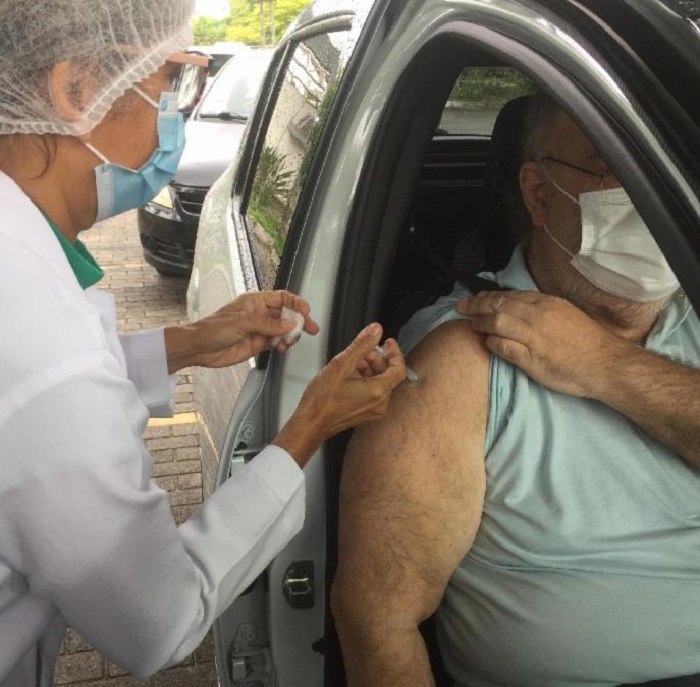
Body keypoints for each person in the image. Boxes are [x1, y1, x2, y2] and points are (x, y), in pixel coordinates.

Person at [0, 2, 407, 685]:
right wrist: (312, 422)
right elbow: (157, 619)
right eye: (170, 81)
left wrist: (187, 344)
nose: (177, 111)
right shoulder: (43, 341)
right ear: (76, 90)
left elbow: (32, 413)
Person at [331, 92, 700, 687]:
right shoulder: (465, 352)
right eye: (619, 171)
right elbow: (377, 621)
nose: (654, 197)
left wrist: (603, 364)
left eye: (670, 169)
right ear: (539, 194)